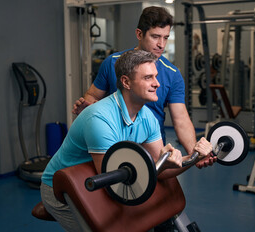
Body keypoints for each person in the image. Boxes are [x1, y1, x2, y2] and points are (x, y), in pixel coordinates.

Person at [41, 50, 214, 231]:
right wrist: (163, 164)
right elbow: (114, 185)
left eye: (156, 76)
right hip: (62, 190)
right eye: (148, 78)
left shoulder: (147, 117)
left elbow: (160, 171)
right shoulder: (99, 119)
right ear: (126, 82)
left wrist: (193, 157)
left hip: (96, 179)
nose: (157, 84)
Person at [73, 6, 209, 168]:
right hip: (115, 144)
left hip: (152, 146)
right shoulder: (113, 63)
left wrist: (195, 155)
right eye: (155, 37)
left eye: (165, 38)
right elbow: (93, 96)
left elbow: (180, 120)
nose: (161, 44)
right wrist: (87, 109)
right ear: (139, 34)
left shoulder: (172, 74)